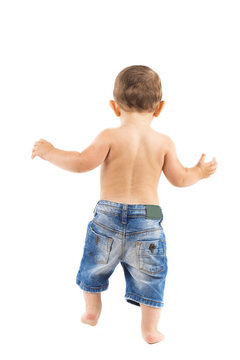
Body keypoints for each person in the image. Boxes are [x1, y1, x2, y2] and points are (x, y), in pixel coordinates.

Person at [31, 65, 217, 344]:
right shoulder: (163, 142)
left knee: (93, 264)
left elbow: (81, 163)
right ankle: (150, 330)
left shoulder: (109, 136)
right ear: (160, 108)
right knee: (151, 274)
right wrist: (200, 172)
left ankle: (92, 311)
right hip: (147, 221)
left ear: (114, 106)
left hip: (108, 215)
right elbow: (179, 179)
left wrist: (50, 152)